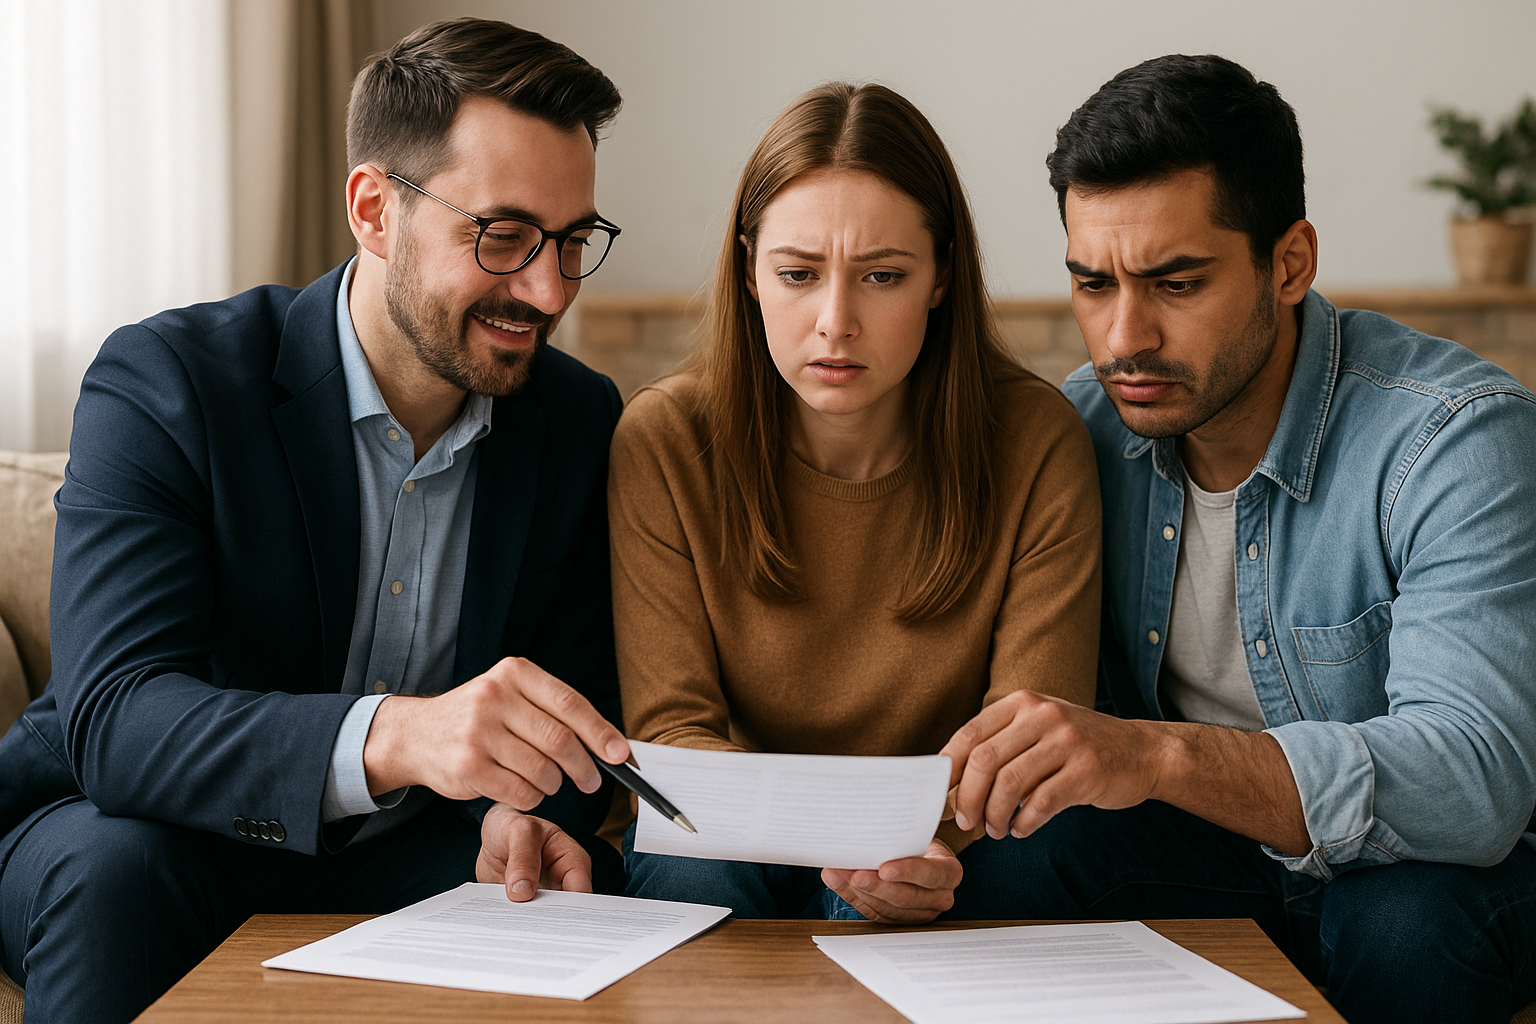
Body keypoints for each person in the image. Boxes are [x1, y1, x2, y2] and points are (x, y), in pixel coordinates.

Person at [0, 19, 636, 1023]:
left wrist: (524, 813)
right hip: (145, 830)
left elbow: (572, 703)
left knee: (601, 893)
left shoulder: (577, 419)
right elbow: (117, 720)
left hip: (412, 855)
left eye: (571, 242)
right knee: (117, 870)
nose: (548, 288)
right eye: (502, 236)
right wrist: (400, 734)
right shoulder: (168, 382)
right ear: (375, 209)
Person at [939, 54, 1536, 1023]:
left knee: (1408, 922)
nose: (1122, 336)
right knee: (1004, 865)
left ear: (1290, 262)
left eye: (1175, 283)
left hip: (1457, 869)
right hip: (1215, 855)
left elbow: (1473, 779)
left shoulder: (1453, 436)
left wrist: (1157, 757)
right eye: (1093, 283)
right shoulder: (1079, 432)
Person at [610, 82, 1101, 923]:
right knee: (698, 881)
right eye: (798, 274)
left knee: (1006, 868)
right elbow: (675, 736)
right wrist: (832, 837)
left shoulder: (1036, 440)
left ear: (941, 276)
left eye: (882, 276)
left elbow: (1025, 735)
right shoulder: (664, 440)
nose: (835, 321)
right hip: (725, 836)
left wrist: (910, 848)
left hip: (947, 836)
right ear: (750, 273)